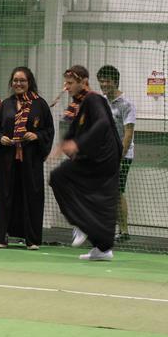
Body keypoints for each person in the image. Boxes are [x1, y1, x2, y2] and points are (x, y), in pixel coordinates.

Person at [49, 65, 122, 261]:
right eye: (65, 83)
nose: (66, 87)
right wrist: (63, 146)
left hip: (102, 160)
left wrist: (77, 144)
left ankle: (81, 223)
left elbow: (102, 124)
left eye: (70, 83)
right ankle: (102, 249)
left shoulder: (93, 99)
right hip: (98, 159)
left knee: (59, 177)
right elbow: (74, 130)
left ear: (84, 82)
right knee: (97, 202)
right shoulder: (81, 105)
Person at [0, 67, 54, 250]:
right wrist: (0, 138)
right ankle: (2, 237)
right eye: (15, 80)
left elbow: (49, 130)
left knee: (31, 196)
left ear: (29, 82)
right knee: (5, 195)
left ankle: (31, 239)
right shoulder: (5, 105)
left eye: (22, 80)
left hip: (31, 160)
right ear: (11, 83)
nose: (18, 84)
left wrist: (37, 136)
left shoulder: (40, 104)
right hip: (7, 160)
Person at [97, 65, 136, 241]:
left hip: (122, 156)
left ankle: (124, 231)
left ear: (115, 81)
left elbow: (128, 134)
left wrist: (119, 157)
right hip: (105, 155)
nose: (104, 84)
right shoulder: (102, 102)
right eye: (101, 81)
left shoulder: (126, 104)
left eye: (107, 81)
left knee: (116, 191)